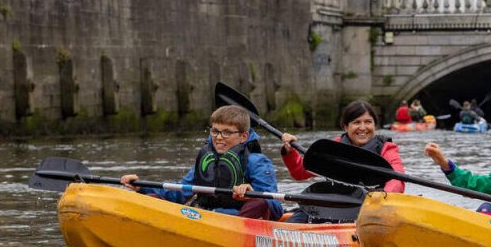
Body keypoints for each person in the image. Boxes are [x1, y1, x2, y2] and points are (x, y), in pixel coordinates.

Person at [120, 105, 281, 220]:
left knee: (260, 203)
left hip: (238, 222)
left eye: (227, 133)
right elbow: (178, 193)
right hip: (204, 217)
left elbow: (275, 207)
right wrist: (141, 186)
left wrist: (251, 194)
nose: (218, 137)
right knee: (152, 198)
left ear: (243, 137)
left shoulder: (257, 162)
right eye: (215, 131)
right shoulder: (206, 161)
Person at [280, 100, 405, 222]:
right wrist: (290, 151)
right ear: (345, 127)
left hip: (370, 209)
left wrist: (382, 197)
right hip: (330, 205)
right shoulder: (334, 147)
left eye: (368, 122)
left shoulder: (386, 148)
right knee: (289, 225)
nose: (363, 128)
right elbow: (299, 173)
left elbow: (397, 178)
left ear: (374, 125)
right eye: (356, 122)